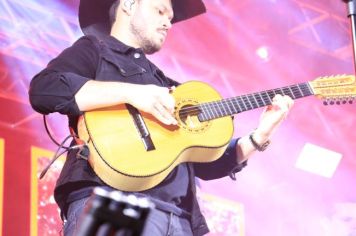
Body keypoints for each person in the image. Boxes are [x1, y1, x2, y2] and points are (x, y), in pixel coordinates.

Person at [29, 0, 294, 235]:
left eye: (169, 17)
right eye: (160, 10)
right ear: (129, 5)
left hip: (179, 220)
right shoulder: (93, 51)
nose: (168, 22)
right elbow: (45, 89)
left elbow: (203, 163)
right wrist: (132, 94)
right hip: (113, 203)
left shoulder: (170, 87)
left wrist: (259, 137)